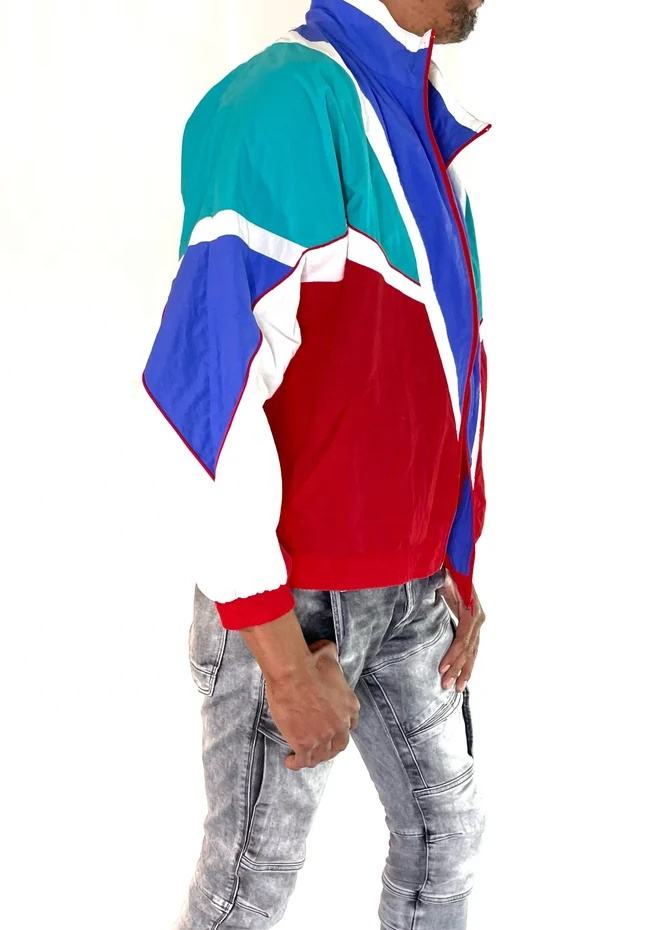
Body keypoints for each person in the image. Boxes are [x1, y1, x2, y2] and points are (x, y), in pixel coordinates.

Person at [142, 1, 492, 927]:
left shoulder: (421, 120)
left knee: (447, 837)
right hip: (295, 603)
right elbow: (204, 394)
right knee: (248, 885)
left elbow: (439, 371)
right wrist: (282, 658)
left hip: (412, 589)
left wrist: (453, 557)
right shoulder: (284, 102)